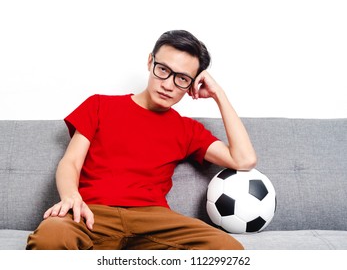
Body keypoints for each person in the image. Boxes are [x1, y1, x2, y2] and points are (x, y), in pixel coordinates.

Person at [26, 30, 256, 250]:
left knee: (227, 248)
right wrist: (70, 196)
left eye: (182, 79)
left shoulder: (188, 129)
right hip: (92, 213)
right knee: (50, 238)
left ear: (192, 85)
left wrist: (219, 94)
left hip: (154, 221)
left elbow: (244, 160)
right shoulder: (100, 106)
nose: (168, 85)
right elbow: (71, 162)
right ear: (150, 62)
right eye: (163, 70)